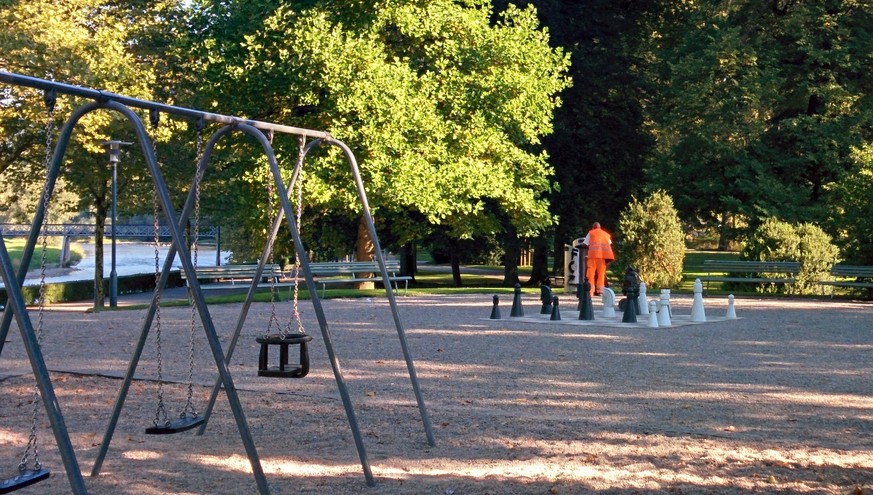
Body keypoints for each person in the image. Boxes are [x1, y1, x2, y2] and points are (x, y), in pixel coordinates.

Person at [582, 222, 615, 296]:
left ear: (593, 227)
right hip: (602, 257)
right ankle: (600, 291)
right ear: (600, 227)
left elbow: (585, 243)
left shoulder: (591, 233)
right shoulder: (605, 234)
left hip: (592, 256)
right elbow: (609, 244)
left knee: (590, 273)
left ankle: (590, 291)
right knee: (601, 274)